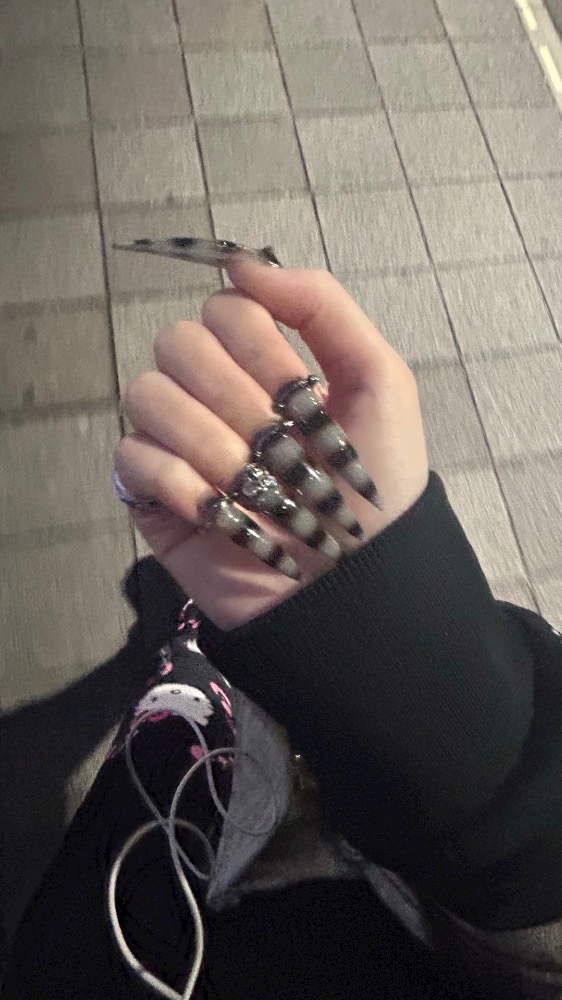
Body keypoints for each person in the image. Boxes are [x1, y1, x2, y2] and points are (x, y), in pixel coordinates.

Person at [3, 259, 562, 1000]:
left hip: (126, 929)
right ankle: (192, 670)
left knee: (154, 751)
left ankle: (185, 673)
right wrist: (454, 742)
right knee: (182, 722)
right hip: (410, 874)